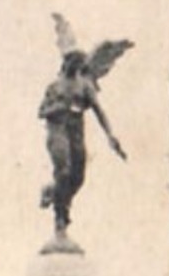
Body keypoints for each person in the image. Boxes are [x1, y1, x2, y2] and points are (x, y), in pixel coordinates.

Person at [39, 48, 126, 242]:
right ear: (65, 64)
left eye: (78, 65)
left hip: (76, 131)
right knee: (64, 170)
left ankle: (52, 191)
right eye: (71, 64)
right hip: (58, 130)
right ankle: (61, 216)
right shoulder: (54, 87)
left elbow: (99, 111)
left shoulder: (84, 86)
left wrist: (110, 136)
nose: (74, 68)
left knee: (77, 177)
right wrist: (60, 107)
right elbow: (41, 111)